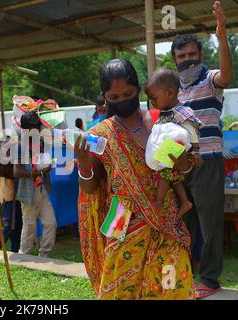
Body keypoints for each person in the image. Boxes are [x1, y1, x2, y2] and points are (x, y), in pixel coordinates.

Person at [76, 59, 193, 300]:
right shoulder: (99, 135)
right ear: (104, 96)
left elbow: (182, 170)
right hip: (124, 225)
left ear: (138, 89)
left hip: (167, 222)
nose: (122, 100)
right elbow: (89, 189)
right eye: (114, 96)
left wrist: (181, 160)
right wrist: (84, 165)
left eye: (128, 94)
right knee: (121, 291)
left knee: (171, 288)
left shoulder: (162, 121)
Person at [173, 1, 234, 299]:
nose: (187, 60)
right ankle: (185, 274)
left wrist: (222, 36)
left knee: (210, 225)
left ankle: (209, 279)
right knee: (184, 224)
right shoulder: (173, 90)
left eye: (191, 55)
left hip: (208, 163)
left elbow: (227, 75)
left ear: (200, 55)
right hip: (180, 166)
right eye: (181, 56)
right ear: (174, 60)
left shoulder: (210, 80)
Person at [145, 68, 204, 217]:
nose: (152, 102)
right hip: (171, 151)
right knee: (171, 175)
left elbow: (192, 130)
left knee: (166, 174)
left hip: (182, 152)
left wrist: (196, 152)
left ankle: (159, 201)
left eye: (154, 98)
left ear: (169, 93)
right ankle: (184, 202)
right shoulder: (164, 114)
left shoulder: (182, 112)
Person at [14, 111, 57, 258]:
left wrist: (47, 167)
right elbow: (17, 172)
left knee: (50, 223)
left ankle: (43, 255)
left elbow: (44, 162)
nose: (38, 131)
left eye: (38, 128)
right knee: (30, 225)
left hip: (42, 188)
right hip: (28, 190)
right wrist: (37, 172)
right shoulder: (20, 146)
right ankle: (23, 254)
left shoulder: (41, 143)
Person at [0, 136, 23, 253]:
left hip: (16, 192)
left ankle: (15, 248)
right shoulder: (3, 154)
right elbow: (4, 171)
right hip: (7, 192)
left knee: (17, 223)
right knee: (9, 223)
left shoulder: (10, 149)